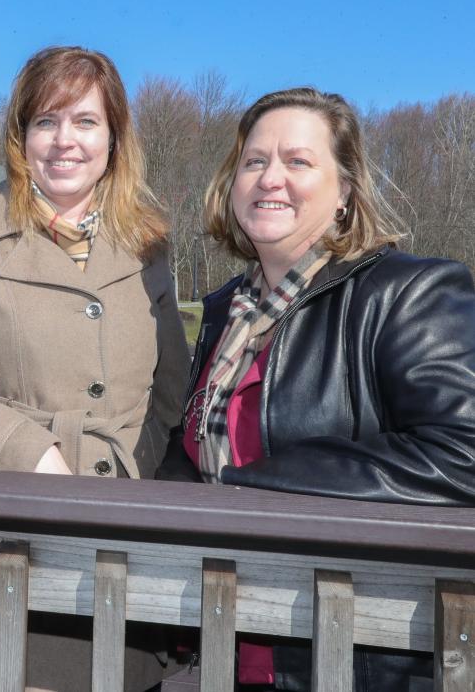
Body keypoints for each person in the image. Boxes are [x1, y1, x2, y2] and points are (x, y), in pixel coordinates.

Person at [156, 86, 475, 690]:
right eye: (254, 161)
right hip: (224, 647)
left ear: (345, 192)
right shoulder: (228, 309)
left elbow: (464, 454)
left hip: (352, 657)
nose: (270, 177)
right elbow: (189, 442)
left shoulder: (406, 293)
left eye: (298, 161)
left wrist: (249, 488)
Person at [0, 46, 189, 692]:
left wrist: (135, 473)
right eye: (46, 121)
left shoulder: (149, 240)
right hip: (18, 540)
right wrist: (32, 449)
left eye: (86, 122)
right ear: (20, 135)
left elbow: (174, 391)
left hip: (128, 537)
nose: (66, 141)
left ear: (114, 139)